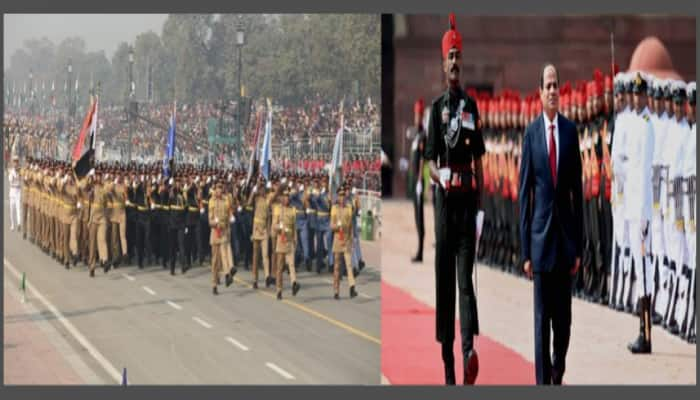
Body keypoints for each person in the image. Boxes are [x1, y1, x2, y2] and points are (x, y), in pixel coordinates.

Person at [424, 14, 485, 385]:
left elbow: (478, 156)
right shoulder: (436, 109)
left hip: (466, 207)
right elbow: (429, 160)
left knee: (466, 283)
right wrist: (439, 174)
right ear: (443, 62)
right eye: (450, 56)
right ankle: (448, 363)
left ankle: (467, 353)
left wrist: (482, 208)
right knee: (445, 286)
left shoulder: (471, 107)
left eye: (459, 56)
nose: (455, 62)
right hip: (445, 208)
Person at [519, 63, 583, 384]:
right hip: (540, 244)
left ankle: (558, 368)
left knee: (565, 321)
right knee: (541, 322)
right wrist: (525, 252)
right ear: (540, 93)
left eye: (557, 84)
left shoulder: (571, 133)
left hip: (566, 243)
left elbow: (578, 193)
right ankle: (543, 383)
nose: (553, 90)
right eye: (548, 85)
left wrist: (580, 246)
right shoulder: (530, 135)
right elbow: (524, 196)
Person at [330, 185, 358, 299]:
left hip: (346, 239)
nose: (342, 198)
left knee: (349, 264)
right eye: (340, 195)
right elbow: (331, 225)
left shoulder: (349, 208)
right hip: (337, 239)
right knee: (337, 267)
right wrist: (337, 226)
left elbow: (351, 226)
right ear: (337, 197)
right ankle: (336, 290)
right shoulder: (334, 208)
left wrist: (352, 241)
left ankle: (352, 286)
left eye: (343, 195)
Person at [410, 99, 427, 263]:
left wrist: (420, 180)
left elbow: (423, 159)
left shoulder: (423, 135)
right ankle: (418, 249)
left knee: (420, 217)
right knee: (416, 216)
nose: (417, 118)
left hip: (418, 181)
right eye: (416, 115)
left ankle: (420, 251)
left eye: (419, 115)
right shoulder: (415, 133)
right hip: (414, 178)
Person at [8, 157, 22, 232]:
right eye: (14, 162)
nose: (16, 163)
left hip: (18, 190)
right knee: (12, 209)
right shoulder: (11, 171)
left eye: (17, 162)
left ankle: (19, 223)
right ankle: (12, 224)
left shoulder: (20, 170)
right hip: (12, 190)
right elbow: (10, 180)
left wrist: (19, 173)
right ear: (13, 163)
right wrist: (12, 174)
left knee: (18, 208)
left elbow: (22, 178)